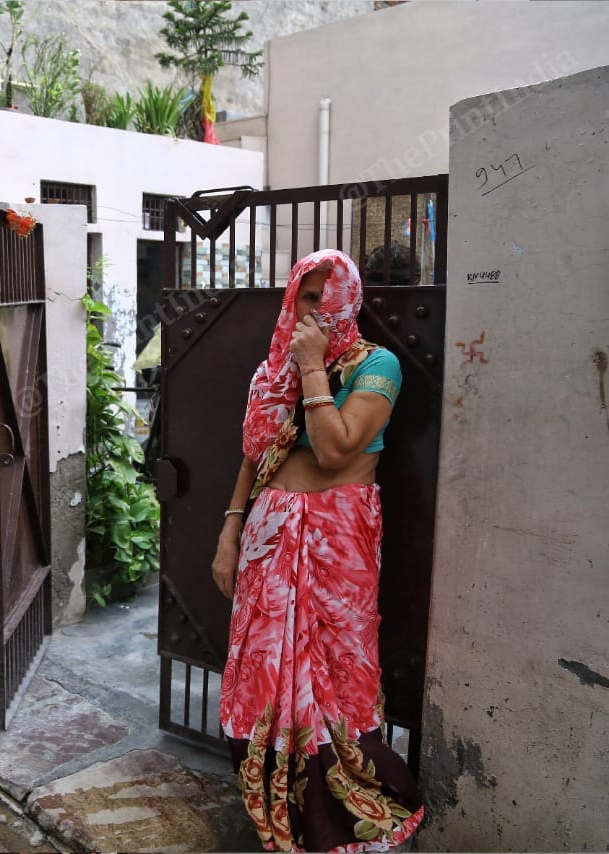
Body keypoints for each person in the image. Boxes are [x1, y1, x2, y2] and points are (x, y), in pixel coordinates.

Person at [211, 249, 424, 852]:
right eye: (309, 296)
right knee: (263, 681)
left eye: (331, 295)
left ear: (351, 299)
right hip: (268, 537)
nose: (320, 307)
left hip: (338, 545)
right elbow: (254, 460)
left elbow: (336, 451)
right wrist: (230, 532)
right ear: (292, 299)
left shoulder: (376, 364)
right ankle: (274, 811)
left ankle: (346, 818)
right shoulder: (271, 371)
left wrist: (311, 367)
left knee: (338, 677)